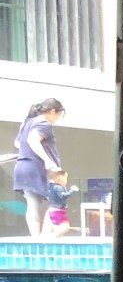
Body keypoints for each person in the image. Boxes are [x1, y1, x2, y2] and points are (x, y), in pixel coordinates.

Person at [13, 97, 67, 237]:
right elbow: (32, 140)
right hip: (36, 168)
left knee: (33, 204)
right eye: (60, 115)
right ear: (53, 111)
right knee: (52, 204)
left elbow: (18, 143)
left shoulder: (27, 122)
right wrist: (48, 161)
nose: (58, 118)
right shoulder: (44, 123)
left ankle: (37, 237)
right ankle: (41, 238)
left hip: (23, 166)